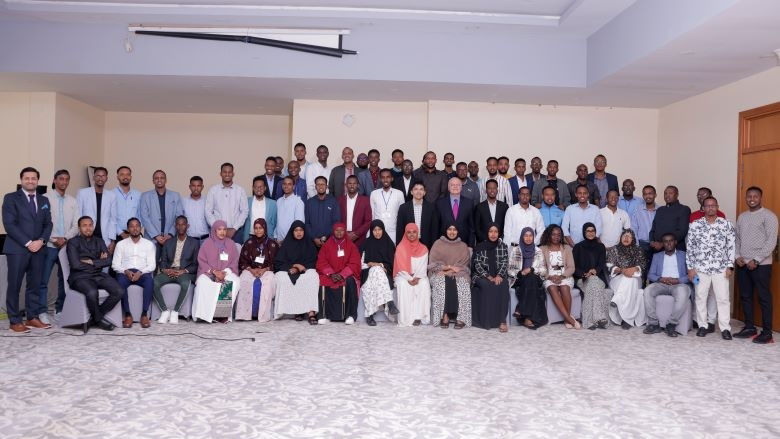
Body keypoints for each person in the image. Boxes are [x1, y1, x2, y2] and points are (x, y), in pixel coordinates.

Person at [3, 167, 53, 332]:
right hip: (18, 249)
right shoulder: (11, 198)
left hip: (39, 249)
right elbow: (10, 224)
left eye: (34, 178)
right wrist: (28, 243)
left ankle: (32, 317)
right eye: (27, 178)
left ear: (38, 181)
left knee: (35, 285)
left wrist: (41, 241)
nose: (30, 181)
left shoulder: (44, 200)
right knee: (15, 285)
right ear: (21, 180)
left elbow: (48, 224)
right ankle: (14, 320)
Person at [687, 196, 736, 340]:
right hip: (700, 268)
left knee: (723, 299)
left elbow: (731, 246)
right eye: (707, 206)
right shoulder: (695, 225)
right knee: (700, 297)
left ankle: (725, 328)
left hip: (720, 268)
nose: (710, 208)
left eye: (713, 205)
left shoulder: (726, 224)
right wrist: (690, 268)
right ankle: (703, 326)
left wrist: (730, 266)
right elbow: (690, 248)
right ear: (703, 209)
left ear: (717, 207)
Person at [734, 186, 777, 344]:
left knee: (764, 298)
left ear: (760, 198)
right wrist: (737, 256)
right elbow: (737, 239)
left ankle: (767, 333)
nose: (751, 199)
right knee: (745, 296)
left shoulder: (769, 216)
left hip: (761, 265)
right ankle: (750, 327)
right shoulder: (742, 217)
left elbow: (771, 241)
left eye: (755, 196)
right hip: (743, 264)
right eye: (749, 196)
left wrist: (757, 259)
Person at [66, 216, 122, 331]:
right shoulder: (72, 242)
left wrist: (92, 261)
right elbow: (75, 265)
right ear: (79, 228)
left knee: (119, 291)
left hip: (98, 275)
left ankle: (95, 318)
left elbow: (108, 260)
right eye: (84, 225)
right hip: (79, 277)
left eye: (90, 225)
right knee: (92, 292)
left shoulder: (99, 241)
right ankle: (99, 319)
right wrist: (99, 262)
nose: (88, 228)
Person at [41, 170, 79, 320]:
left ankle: (60, 309)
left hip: (65, 246)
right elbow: (41, 223)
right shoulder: (45, 198)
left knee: (65, 279)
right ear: (55, 180)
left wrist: (65, 238)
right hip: (49, 246)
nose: (64, 182)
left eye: (67, 179)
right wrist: (52, 239)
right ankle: (42, 311)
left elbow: (77, 225)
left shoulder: (73, 201)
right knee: (43, 280)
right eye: (61, 179)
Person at [191, 220, 241, 323]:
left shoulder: (231, 244)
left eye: (224, 229)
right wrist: (214, 272)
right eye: (219, 229)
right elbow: (202, 261)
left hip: (225, 273)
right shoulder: (207, 243)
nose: (222, 232)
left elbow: (235, 261)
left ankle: (220, 315)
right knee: (202, 283)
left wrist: (224, 273)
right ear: (214, 230)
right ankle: (204, 315)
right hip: (208, 272)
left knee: (235, 282)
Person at [153, 215, 199, 324]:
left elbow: (195, 264)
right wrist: (165, 270)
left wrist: (183, 271)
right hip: (170, 271)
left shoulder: (194, 243)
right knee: (153, 282)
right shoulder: (169, 242)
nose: (181, 227)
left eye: (183, 224)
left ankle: (175, 311)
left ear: (187, 226)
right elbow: (163, 261)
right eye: (178, 224)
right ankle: (164, 311)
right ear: (175, 226)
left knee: (185, 284)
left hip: (184, 273)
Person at [643, 234, 690, 337]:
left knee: (683, 293)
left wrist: (677, 280)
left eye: (671, 241)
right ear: (663, 243)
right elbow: (650, 275)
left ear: (675, 242)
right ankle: (654, 323)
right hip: (661, 283)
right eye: (665, 241)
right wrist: (660, 279)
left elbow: (690, 275)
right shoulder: (657, 256)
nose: (668, 243)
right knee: (647, 291)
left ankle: (671, 324)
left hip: (678, 284)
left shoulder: (684, 255)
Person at [112, 218, 156, 328]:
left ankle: (144, 314)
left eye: (137, 225)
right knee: (120, 283)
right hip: (125, 272)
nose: (135, 228)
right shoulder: (121, 244)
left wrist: (140, 272)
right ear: (128, 229)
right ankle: (127, 315)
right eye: (132, 226)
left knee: (149, 282)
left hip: (143, 272)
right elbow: (115, 264)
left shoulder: (148, 244)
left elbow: (152, 265)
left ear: (140, 228)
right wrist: (125, 271)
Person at [273, 220, 320, 324]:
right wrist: (293, 266)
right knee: (281, 277)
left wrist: (300, 268)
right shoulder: (287, 244)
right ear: (292, 232)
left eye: (301, 230)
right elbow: (278, 263)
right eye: (296, 230)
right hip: (289, 270)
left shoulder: (309, 244)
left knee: (313, 276)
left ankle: (311, 312)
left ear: (304, 231)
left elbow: (313, 262)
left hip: (305, 270)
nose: (299, 233)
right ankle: (296, 311)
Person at [428, 223, 472, 329]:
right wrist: (447, 268)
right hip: (438, 272)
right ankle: (444, 315)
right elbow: (432, 265)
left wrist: (450, 271)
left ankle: (461, 318)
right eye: (449, 229)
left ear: (458, 231)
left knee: (462, 284)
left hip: (459, 273)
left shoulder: (463, 246)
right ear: (445, 230)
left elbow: (464, 266)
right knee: (441, 282)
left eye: (454, 230)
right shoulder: (438, 244)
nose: (452, 232)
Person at [315, 223, 361, 324]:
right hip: (330, 274)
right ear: (333, 231)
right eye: (337, 230)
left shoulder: (351, 246)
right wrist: (331, 274)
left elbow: (355, 263)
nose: (339, 232)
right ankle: (324, 315)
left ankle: (350, 315)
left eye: (341, 230)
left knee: (350, 281)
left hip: (345, 275)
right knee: (322, 280)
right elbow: (321, 261)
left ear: (345, 231)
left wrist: (342, 274)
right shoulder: (326, 245)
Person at [236, 218, 279, 322]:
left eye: (260, 228)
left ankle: (263, 315)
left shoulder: (272, 244)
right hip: (251, 270)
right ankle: (244, 315)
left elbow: (277, 263)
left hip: (267, 270)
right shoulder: (249, 242)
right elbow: (242, 261)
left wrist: (265, 269)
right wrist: (251, 270)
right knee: (244, 280)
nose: (258, 231)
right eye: (256, 228)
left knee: (267, 282)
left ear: (265, 228)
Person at [471, 223, 510, 332]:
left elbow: (504, 263)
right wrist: (488, 276)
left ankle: (502, 321)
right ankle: (487, 321)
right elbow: (477, 265)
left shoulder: (503, 246)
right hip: (481, 276)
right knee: (487, 286)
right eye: (490, 231)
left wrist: (499, 275)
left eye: (496, 231)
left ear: (499, 233)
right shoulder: (480, 246)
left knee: (503, 285)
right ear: (486, 233)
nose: (493, 234)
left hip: (498, 275)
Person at [538, 225, 579, 329]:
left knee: (564, 288)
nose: (556, 237)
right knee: (552, 288)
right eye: (553, 234)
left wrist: (561, 276)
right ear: (549, 235)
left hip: (565, 276)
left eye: (558, 235)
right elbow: (540, 267)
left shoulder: (567, 248)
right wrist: (549, 276)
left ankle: (566, 319)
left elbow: (571, 267)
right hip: (549, 277)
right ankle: (569, 319)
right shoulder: (542, 248)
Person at [360, 220, 399, 325]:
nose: (377, 232)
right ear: (371, 231)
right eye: (375, 230)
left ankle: (369, 315)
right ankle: (389, 302)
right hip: (367, 273)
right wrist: (370, 264)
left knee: (376, 273)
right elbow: (361, 264)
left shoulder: (388, 244)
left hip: (384, 274)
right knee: (373, 274)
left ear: (383, 230)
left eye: (379, 229)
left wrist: (379, 265)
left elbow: (392, 264)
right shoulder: (366, 243)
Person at [606, 229, 646, 329]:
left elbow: (643, 265)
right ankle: (627, 319)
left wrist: (634, 269)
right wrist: (621, 270)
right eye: (624, 236)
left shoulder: (638, 250)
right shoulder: (614, 250)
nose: (626, 238)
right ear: (620, 238)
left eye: (629, 236)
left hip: (635, 278)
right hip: (617, 279)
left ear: (633, 239)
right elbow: (609, 265)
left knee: (630, 279)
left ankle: (617, 300)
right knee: (628, 279)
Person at [508, 227, 547, 330]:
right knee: (529, 280)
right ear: (522, 237)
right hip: (519, 279)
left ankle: (520, 309)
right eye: (526, 235)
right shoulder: (516, 250)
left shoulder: (538, 251)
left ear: (534, 237)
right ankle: (528, 318)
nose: (528, 238)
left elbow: (543, 270)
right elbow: (509, 269)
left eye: (531, 236)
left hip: (535, 278)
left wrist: (532, 269)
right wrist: (520, 273)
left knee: (531, 278)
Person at [573, 223, 610, 330]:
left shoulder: (600, 247)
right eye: (588, 231)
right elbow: (574, 266)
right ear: (584, 232)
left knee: (593, 284)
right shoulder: (578, 247)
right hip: (582, 278)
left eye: (593, 230)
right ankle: (600, 318)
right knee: (593, 286)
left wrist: (595, 271)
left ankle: (588, 321)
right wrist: (585, 274)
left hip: (598, 277)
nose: (590, 233)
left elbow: (602, 263)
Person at [139, 170, 183, 260]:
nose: (159, 180)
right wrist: (156, 236)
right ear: (153, 181)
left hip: (170, 238)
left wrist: (170, 234)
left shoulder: (175, 196)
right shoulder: (145, 196)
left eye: (162, 178)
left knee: (169, 266)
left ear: (166, 180)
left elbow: (179, 217)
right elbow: (144, 217)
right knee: (151, 267)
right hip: (152, 238)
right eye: (156, 178)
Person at [394, 223, 431, 326]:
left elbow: (423, 266)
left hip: (419, 276)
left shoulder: (423, 248)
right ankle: (406, 317)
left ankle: (418, 317)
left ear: (417, 233)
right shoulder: (400, 248)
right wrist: (409, 278)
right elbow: (400, 267)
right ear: (405, 234)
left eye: (414, 232)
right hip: (403, 275)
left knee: (423, 284)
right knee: (403, 285)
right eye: (409, 232)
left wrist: (417, 277)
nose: (411, 235)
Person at [204, 162, 248, 241]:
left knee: (236, 253)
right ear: (220, 174)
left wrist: (234, 229)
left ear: (233, 174)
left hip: (236, 232)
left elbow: (244, 211)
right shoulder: (213, 190)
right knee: (216, 253)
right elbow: (208, 211)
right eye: (224, 172)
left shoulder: (240, 190)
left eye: (229, 172)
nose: (227, 174)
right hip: (217, 231)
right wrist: (218, 227)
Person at [77, 166, 117, 249]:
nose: (100, 178)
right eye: (98, 176)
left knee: (104, 261)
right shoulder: (83, 193)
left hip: (104, 238)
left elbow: (113, 219)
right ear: (93, 177)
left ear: (106, 178)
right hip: (86, 236)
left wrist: (113, 241)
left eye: (103, 176)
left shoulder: (112, 196)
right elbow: (78, 215)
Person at [396, 181, 439, 249]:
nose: (418, 192)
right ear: (411, 192)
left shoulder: (431, 208)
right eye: (416, 189)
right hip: (408, 243)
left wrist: (434, 246)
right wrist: (399, 247)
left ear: (424, 192)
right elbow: (400, 229)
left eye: (421, 189)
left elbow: (434, 229)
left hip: (426, 244)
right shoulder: (403, 208)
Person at [649, 186, 691, 252]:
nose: (667, 196)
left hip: (675, 250)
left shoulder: (684, 209)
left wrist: (663, 244)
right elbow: (653, 229)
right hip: (656, 249)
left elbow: (682, 232)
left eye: (670, 193)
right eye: (665, 193)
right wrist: (652, 242)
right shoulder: (660, 209)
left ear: (677, 194)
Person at [631, 185, 658, 282]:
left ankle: (652, 290)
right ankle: (641, 291)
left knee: (655, 271)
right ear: (643, 196)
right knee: (641, 271)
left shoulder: (661, 210)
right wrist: (637, 245)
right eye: (645, 194)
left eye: (650, 193)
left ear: (655, 195)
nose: (648, 196)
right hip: (642, 244)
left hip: (657, 245)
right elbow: (633, 228)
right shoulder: (638, 210)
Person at [437, 177, 475, 246]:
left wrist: (470, 246)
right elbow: (437, 226)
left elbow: (471, 227)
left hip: (463, 243)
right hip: (444, 243)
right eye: (452, 185)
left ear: (461, 187)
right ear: (448, 188)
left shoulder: (469, 203)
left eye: (457, 185)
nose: (455, 187)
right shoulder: (440, 203)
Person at [304, 176, 340, 249]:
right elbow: (307, 223)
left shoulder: (333, 201)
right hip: (312, 242)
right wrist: (314, 238)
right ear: (315, 187)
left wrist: (326, 236)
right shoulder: (309, 203)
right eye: (318, 184)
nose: (320, 186)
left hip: (330, 240)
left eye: (322, 184)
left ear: (326, 186)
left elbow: (336, 221)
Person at [371, 169, 405, 244]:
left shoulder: (399, 194)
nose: (385, 179)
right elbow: (372, 214)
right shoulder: (374, 194)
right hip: (377, 232)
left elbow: (402, 214)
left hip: (393, 231)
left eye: (388, 177)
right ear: (380, 179)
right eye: (383, 177)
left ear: (392, 178)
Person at [339, 175, 372, 247]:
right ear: (346, 185)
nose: (352, 186)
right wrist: (344, 233)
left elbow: (368, 220)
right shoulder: (339, 200)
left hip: (360, 238)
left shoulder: (365, 200)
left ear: (358, 185)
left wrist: (356, 234)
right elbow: (337, 219)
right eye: (350, 183)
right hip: (343, 237)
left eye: (354, 184)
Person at [243, 176, 277, 243]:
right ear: (253, 188)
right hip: (250, 237)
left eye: (261, 186)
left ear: (265, 188)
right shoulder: (246, 201)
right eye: (256, 186)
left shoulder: (273, 203)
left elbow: (274, 222)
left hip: (267, 238)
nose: (259, 188)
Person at [474, 179, 509, 243]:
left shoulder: (504, 207)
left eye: (494, 188)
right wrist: (485, 240)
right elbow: (477, 228)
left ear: (497, 190)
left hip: (500, 243)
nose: (492, 190)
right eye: (489, 188)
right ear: (486, 190)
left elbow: (507, 226)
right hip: (484, 243)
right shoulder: (479, 207)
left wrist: (501, 239)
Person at [113, 166, 141, 242]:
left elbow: (140, 215)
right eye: (122, 174)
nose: (125, 177)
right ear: (117, 177)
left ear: (131, 177)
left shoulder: (138, 194)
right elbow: (110, 217)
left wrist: (135, 230)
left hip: (135, 234)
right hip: (116, 235)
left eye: (128, 174)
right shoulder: (111, 194)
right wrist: (121, 233)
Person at [275, 176, 306, 241]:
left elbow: (299, 224)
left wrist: (288, 240)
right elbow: (277, 222)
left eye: (289, 184)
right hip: (278, 240)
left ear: (294, 187)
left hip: (292, 240)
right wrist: (275, 236)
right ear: (282, 185)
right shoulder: (279, 201)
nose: (286, 186)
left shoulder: (298, 202)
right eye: (284, 184)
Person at [181, 176, 210, 242]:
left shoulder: (208, 201)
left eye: (198, 186)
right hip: (189, 240)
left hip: (206, 240)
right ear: (189, 187)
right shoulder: (183, 201)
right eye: (193, 186)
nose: (196, 188)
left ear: (202, 187)